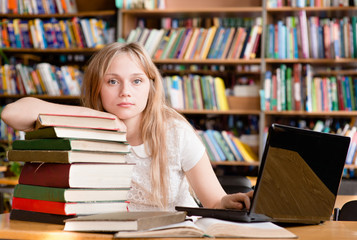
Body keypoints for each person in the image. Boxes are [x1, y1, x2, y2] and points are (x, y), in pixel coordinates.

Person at [1, 42, 253, 211]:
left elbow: (214, 201)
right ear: (97, 88)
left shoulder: (175, 133)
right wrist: (95, 116)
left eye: (136, 81)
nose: (125, 92)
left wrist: (228, 202)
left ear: (151, 86)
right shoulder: (86, 128)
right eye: (112, 81)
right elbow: (12, 113)